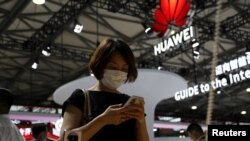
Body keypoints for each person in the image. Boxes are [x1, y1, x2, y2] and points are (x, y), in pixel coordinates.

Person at [60, 38, 149, 141]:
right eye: (112, 67)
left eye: (124, 68)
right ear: (100, 65)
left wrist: (141, 122)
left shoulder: (128, 103)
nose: (119, 72)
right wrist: (103, 120)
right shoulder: (81, 98)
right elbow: (65, 139)